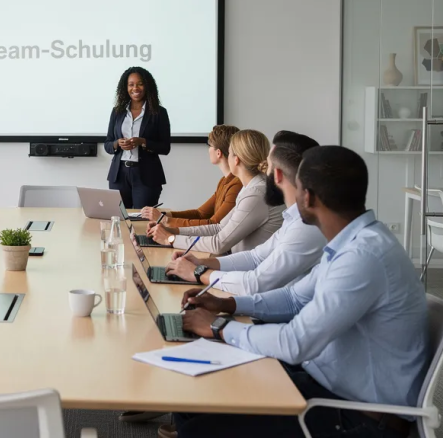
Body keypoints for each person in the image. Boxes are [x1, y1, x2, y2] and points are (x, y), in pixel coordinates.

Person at [163, 146, 428, 438]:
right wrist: (227, 304)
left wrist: (217, 327)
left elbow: (295, 342)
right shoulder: (351, 242)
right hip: (322, 383)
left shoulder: (363, 256)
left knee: (200, 426)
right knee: (192, 391)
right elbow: (294, 298)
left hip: (356, 415)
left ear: (308, 197)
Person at [164, 132, 326, 293]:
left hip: (262, 294)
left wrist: (197, 271)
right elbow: (254, 257)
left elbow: (255, 282)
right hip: (259, 291)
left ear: (277, 175)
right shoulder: (293, 217)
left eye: (267, 165)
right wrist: (201, 263)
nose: (264, 170)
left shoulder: (303, 224)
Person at [149, 129, 283, 254]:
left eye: (229, 153)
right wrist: (172, 231)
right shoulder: (251, 187)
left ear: (236, 160)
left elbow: (219, 244)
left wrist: (170, 239)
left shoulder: (256, 193)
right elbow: (218, 228)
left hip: (247, 270)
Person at [140, 125, 241, 227]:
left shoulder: (236, 184)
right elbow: (200, 214)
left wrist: (165, 220)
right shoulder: (224, 181)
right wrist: (163, 215)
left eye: (209, 145)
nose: (208, 149)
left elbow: (214, 224)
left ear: (218, 153)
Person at [104, 66, 171, 209]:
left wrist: (143, 142)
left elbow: (165, 147)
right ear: (125, 87)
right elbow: (108, 144)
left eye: (140, 84)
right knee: (120, 218)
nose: (135, 88)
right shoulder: (117, 112)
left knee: (141, 220)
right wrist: (117, 143)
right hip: (119, 174)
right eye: (131, 84)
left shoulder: (159, 112)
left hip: (146, 175)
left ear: (147, 86)